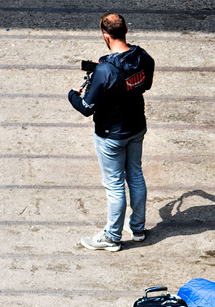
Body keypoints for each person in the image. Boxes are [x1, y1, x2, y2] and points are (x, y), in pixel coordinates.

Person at [68, 12, 154, 253]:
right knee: (135, 175)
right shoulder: (144, 57)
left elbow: (86, 108)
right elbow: (145, 85)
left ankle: (112, 236)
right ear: (126, 28)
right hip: (136, 127)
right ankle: (137, 228)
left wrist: (72, 94)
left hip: (110, 135)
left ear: (105, 36)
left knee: (115, 185)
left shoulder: (105, 71)